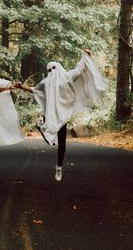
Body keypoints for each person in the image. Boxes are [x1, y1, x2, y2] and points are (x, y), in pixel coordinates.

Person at [14, 49, 108, 181]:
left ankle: (59, 167)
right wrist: (21, 87)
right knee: (51, 138)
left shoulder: (67, 76)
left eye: (54, 68)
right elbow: (35, 90)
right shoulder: (46, 82)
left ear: (59, 67)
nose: (52, 71)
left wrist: (87, 55)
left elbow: (79, 69)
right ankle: (43, 127)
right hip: (51, 114)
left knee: (62, 143)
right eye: (49, 69)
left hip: (63, 115)